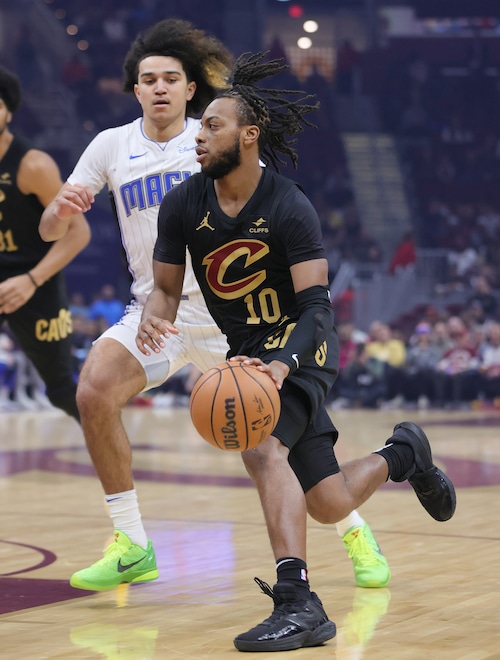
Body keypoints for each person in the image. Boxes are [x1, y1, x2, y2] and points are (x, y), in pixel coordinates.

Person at [38, 20, 389, 595]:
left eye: (170, 79)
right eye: (148, 79)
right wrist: (61, 206)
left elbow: (266, 210)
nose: (158, 88)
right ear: (135, 91)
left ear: (189, 89)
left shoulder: (215, 137)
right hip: (159, 313)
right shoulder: (109, 146)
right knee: (93, 390)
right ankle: (131, 544)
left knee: (267, 455)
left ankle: (351, 526)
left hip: (238, 321)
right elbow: (54, 225)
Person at [137, 52, 456, 653]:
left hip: (303, 344)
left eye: (212, 125)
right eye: (199, 127)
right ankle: (403, 453)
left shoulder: (289, 205)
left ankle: (298, 602)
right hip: (247, 350)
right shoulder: (182, 205)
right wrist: (156, 314)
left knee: (261, 446)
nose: (198, 135)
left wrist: (283, 362)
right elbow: (165, 289)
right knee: (329, 504)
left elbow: (317, 309)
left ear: (248, 135)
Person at [0, 65, 90, 421]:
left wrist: (32, 279)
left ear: (7, 110)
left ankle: (116, 460)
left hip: (34, 278)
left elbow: (79, 232)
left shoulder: (32, 164)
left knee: (62, 391)